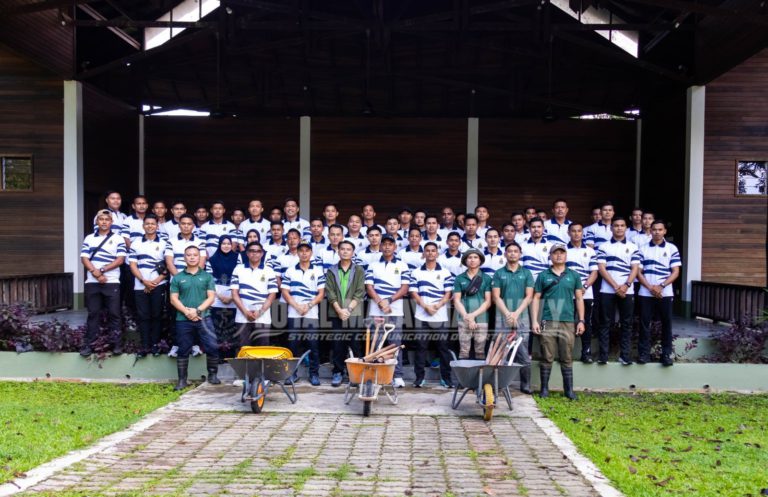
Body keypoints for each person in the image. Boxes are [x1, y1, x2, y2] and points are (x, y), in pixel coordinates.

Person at [531, 244, 585, 400]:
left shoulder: (574, 275)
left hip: (568, 320)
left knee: (566, 356)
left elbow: (579, 298)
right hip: (548, 320)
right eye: (555, 253)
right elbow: (536, 298)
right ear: (551, 256)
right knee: (546, 355)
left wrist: (581, 320)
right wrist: (535, 320)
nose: (559, 256)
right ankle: (544, 390)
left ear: (566, 256)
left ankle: (568, 391)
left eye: (562, 253)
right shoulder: (543, 275)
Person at [169, 245, 220, 390]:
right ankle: (182, 381)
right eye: (189, 255)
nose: (192, 257)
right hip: (183, 319)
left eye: (195, 255)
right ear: (184, 258)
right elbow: (173, 299)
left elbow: (211, 297)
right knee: (183, 349)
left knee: (212, 346)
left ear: (200, 257)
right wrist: (187, 312)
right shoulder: (178, 278)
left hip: (204, 318)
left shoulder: (207, 276)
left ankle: (212, 375)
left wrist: (197, 311)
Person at [365, 234, 411, 387]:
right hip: (376, 310)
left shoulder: (402, 265)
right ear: (380, 246)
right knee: (376, 344)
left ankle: (396, 376)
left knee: (395, 344)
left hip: (395, 310)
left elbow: (405, 288)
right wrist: (380, 302)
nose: (386, 246)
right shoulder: (373, 265)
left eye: (389, 244)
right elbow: (369, 287)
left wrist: (389, 301)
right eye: (384, 244)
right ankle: (375, 374)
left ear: (395, 247)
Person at [80, 209, 126, 356]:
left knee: (114, 314)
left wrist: (102, 269)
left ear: (111, 222)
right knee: (93, 314)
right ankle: (89, 345)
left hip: (112, 281)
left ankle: (117, 345)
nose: (104, 222)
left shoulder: (118, 239)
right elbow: (84, 258)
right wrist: (95, 273)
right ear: (97, 222)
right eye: (101, 219)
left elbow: (120, 259)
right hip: (92, 282)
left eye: (107, 219)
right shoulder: (89, 238)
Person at [596, 217, 641, 365]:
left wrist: (626, 285)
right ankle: (603, 356)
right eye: (616, 226)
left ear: (626, 228)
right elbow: (601, 268)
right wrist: (616, 286)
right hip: (607, 290)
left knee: (626, 324)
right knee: (605, 323)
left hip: (627, 291)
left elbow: (635, 268)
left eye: (622, 226)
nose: (619, 228)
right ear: (611, 228)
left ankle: (625, 356)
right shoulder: (603, 246)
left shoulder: (633, 247)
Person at [409, 242, 454, 388]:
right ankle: (419, 378)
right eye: (427, 251)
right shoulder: (416, 272)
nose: (430, 253)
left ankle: (446, 378)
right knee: (421, 348)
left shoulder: (445, 272)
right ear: (423, 254)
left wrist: (438, 306)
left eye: (433, 251)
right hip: (421, 316)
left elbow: (448, 293)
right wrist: (425, 307)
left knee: (443, 348)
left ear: (437, 254)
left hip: (440, 316)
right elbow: (413, 293)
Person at [492, 241, 534, 393]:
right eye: (510, 251)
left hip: (522, 317)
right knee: (501, 352)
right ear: (505, 254)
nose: (513, 253)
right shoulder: (499, 273)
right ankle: (499, 384)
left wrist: (516, 313)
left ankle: (525, 385)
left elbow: (529, 296)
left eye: (516, 251)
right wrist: (508, 314)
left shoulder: (526, 273)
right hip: (502, 317)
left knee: (523, 353)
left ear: (520, 254)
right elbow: (496, 297)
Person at [637, 220, 681, 366]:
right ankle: (644, 354)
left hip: (665, 293)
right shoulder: (642, 249)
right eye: (654, 229)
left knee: (666, 324)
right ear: (650, 231)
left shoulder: (672, 248)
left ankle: (666, 354)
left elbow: (675, 272)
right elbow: (638, 272)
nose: (656, 232)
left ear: (664, 232)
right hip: (645, 292)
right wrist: (650, 287)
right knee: (644, 324)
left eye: (659, 229)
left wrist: (661, 286)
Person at [282, 241, 326, 385]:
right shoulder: (290, 271)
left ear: (311, 253)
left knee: (313, 345)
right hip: (293, 313)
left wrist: (308, 306)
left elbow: (321, 293)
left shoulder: (318, 271)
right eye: (301, 250)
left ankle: (314, 374)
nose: (304, 253)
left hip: (311, 314)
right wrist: (297, 306)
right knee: (293, 345)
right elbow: (285, 292)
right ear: (298, 252)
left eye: (307, 250)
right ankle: (291, 374)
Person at [325, 240, 366, 387]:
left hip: (353, 313)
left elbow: (360, 292)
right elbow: (329, 292)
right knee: (337, 344)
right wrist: (339, 310)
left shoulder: (359, 270)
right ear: (338, 251)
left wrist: (348, 310)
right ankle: (338, 372)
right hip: (336, 312)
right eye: (342, 249)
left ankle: (355, 374)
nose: (345, 251)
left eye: (348, 249)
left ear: (353, 252)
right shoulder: (331, 270)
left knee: (355, 344)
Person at [128, 214, 168, 357]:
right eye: (147, 223)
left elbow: (168, 266)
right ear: (143, 226)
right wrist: (144, 281)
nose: (150, 226)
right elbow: (133, 265)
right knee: (143, 316)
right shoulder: (136, 243)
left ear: (157, 226)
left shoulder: (164, 243)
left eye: (153, 223)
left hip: (159, 285)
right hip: (140, 285)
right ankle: (145, 346)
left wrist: (154, 282)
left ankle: (156, 345)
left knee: (157, 315)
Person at [231, 241, 279, 349]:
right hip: (242, 317)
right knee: (243, 351)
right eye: (252, 251)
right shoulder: (238, 269)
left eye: (258, 251)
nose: (255, 253)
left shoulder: (269, 271)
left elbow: (272, 295)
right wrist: (245, 312)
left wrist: (260, 312)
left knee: (262, 351)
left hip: (263, 318)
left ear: (262, 254)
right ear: (247, 253)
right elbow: (234, 294)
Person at [566, 222, 598, 364]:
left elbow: (594, 272)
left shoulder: (590, 251)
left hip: (586, 293)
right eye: (573, 231)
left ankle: (586, 353)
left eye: (579, 231)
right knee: (566, 324)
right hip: (567, 293)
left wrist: (584, 286)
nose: (576, 233)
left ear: (582, 233)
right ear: (569, 233)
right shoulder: (562, 250)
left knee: (585, 322)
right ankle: (566, 354)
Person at [205, 235, 241, 360]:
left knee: (232, 326)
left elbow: (241, 277)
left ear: (232, 245)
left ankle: (231, 355)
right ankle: (218, 356)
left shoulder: (238, 258)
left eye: (228, 243)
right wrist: (219, 295)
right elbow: (209, 279)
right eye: (223, 243)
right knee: (217, 326)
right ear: (219, 245)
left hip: (234, 295)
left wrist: (231, 297)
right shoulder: (212, 260)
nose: (226, 246)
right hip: (216, 296)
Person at [453, 248, 492, 360]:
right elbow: (456, 300)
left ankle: (480, 377)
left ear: (480, 261)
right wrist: (467, 316)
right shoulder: (459, 278)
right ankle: (463, 376)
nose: (472, 260)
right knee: (464, 351)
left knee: (480, 351)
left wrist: (473, 315)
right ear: (465, 261)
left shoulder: (486, 278)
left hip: (482, 319)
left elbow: (488, 301)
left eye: (475, 257)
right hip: (463, 318)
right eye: (469, 257)